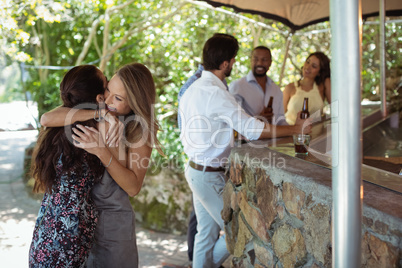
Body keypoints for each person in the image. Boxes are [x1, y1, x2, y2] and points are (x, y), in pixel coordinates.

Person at [179, 33, 311, 268]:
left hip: (196, 169)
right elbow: (251, 130)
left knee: (206, 235)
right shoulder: (216, 92)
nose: (234, 64)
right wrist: (295, 129)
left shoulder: (195, 86)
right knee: (239, 231)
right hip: (207, 175)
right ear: (226, 63)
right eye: (233, 59)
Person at [40, 63, 163, 268]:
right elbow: (47, 118)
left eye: (118, 98)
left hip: (112, 224)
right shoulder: (99, 112)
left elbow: (133, 187)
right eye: (108, 90)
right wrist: (99, 114)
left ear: (135, 102)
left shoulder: (139, 131)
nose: (107, 100)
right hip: (81, 223)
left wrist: (102, 152)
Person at [29, 65, 107, 267]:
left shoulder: (60, 126)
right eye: (106, 83)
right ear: (98, 97)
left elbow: (46, 118)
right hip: (69, 233)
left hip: (48, 227)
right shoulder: (95, 129)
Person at [229, 46, 287, 125]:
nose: (260, 63)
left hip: (273, 137)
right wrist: (258, 119)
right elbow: (234, 120)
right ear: (250, 61)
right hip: (247, 137)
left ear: (270, 62)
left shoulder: (276, 90)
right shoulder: (237, 86)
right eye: (256, 59)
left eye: (264, 60)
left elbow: (281, 121)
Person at [283, 51, 331, 125]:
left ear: (320, 72)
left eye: (314, 66)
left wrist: (327, 80)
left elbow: (335, 105)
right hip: (291, 133)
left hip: (315, 134)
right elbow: (280, 115)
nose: (308, 67)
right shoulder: (290, 88)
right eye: (307, 62)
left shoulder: (322, 88)